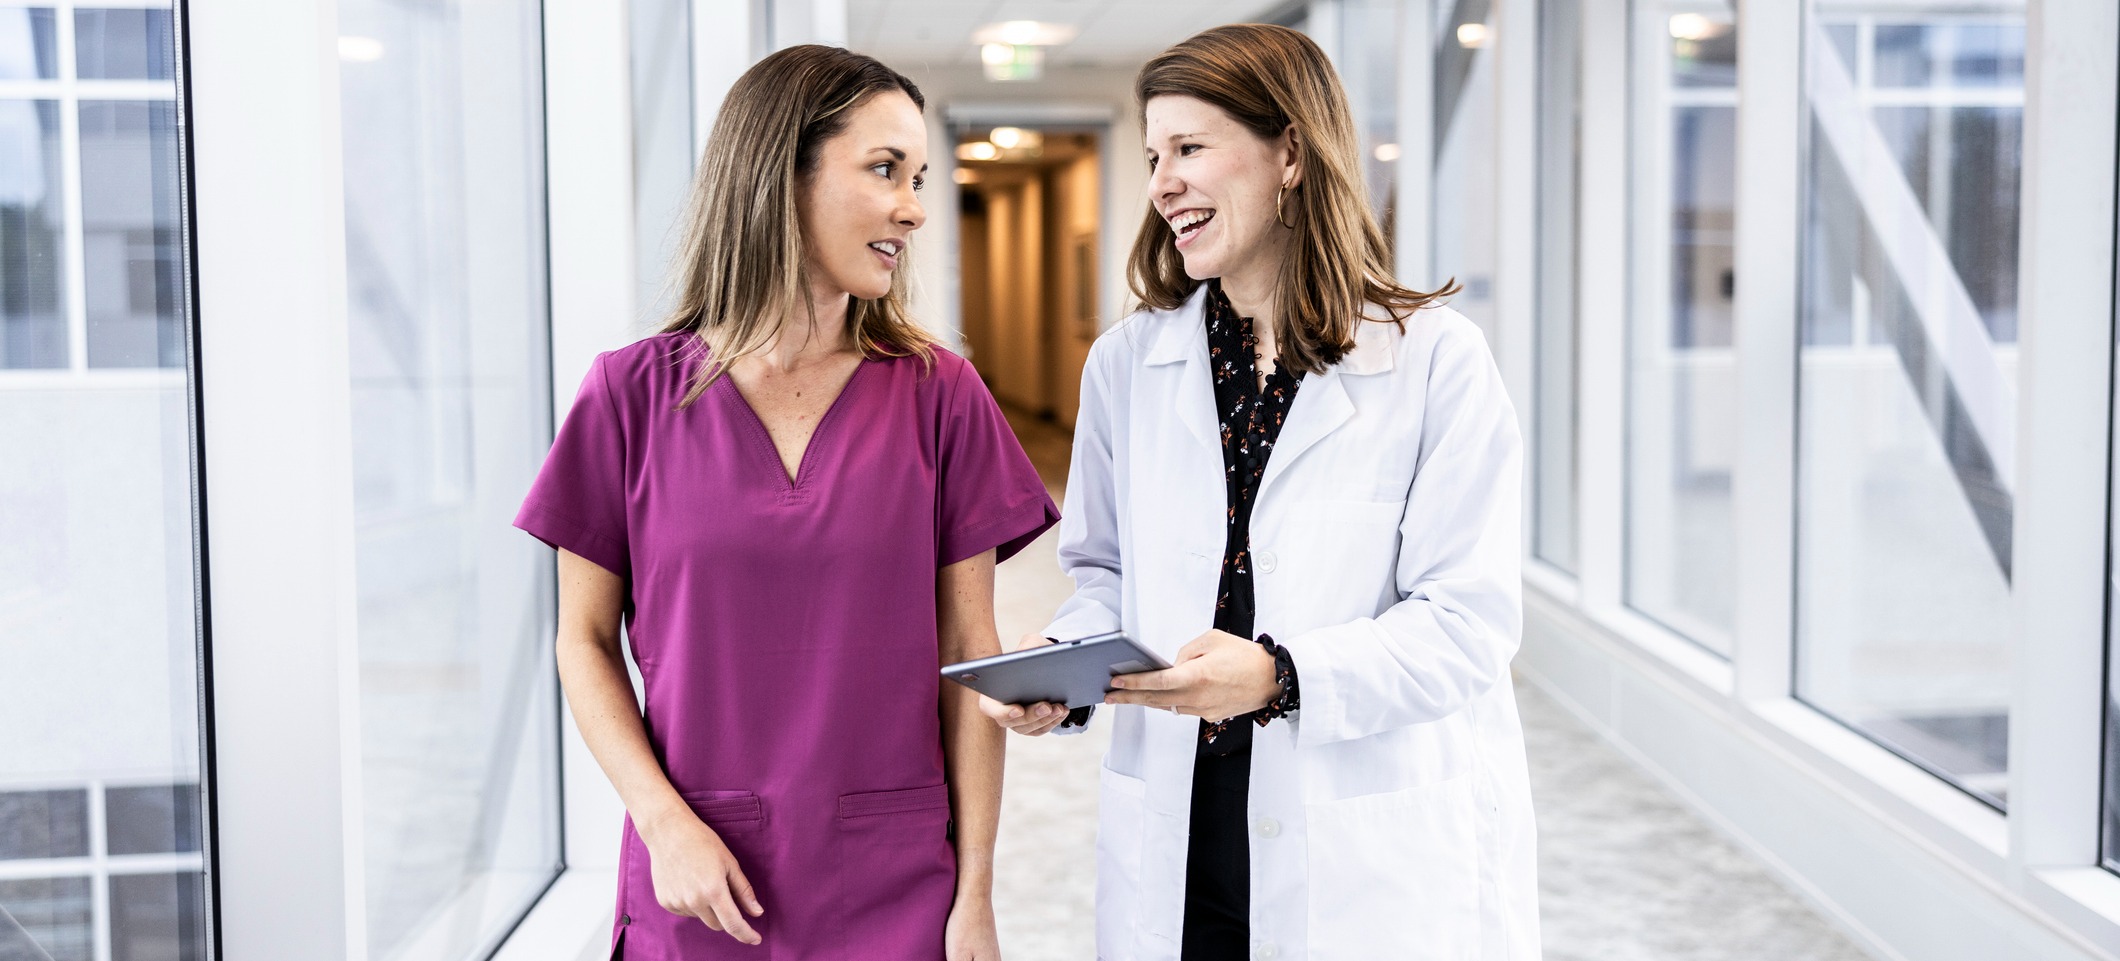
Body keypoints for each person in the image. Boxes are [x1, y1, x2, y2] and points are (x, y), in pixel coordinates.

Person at [981, 23, 1540, 961]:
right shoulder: (1128, 363)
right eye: (1155, 153)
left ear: (1290, 152)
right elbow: (1106, 574)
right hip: (1186, 824)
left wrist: (1282, 676)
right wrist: (1065, 664)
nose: (1160, 182)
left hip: (1363, 841)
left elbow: (1466, 624)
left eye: (1190, 148)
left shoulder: (1437, 362)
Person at [518, 44, 1057, 961]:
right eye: (886, 170)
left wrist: (976, 897)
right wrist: (662, 823)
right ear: (781, 173)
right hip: (702, 876)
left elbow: (972, 652)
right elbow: (582, 638)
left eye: (919, 177)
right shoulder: (629, 396)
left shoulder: (941, 396)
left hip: (896, 877)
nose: (915, 208)